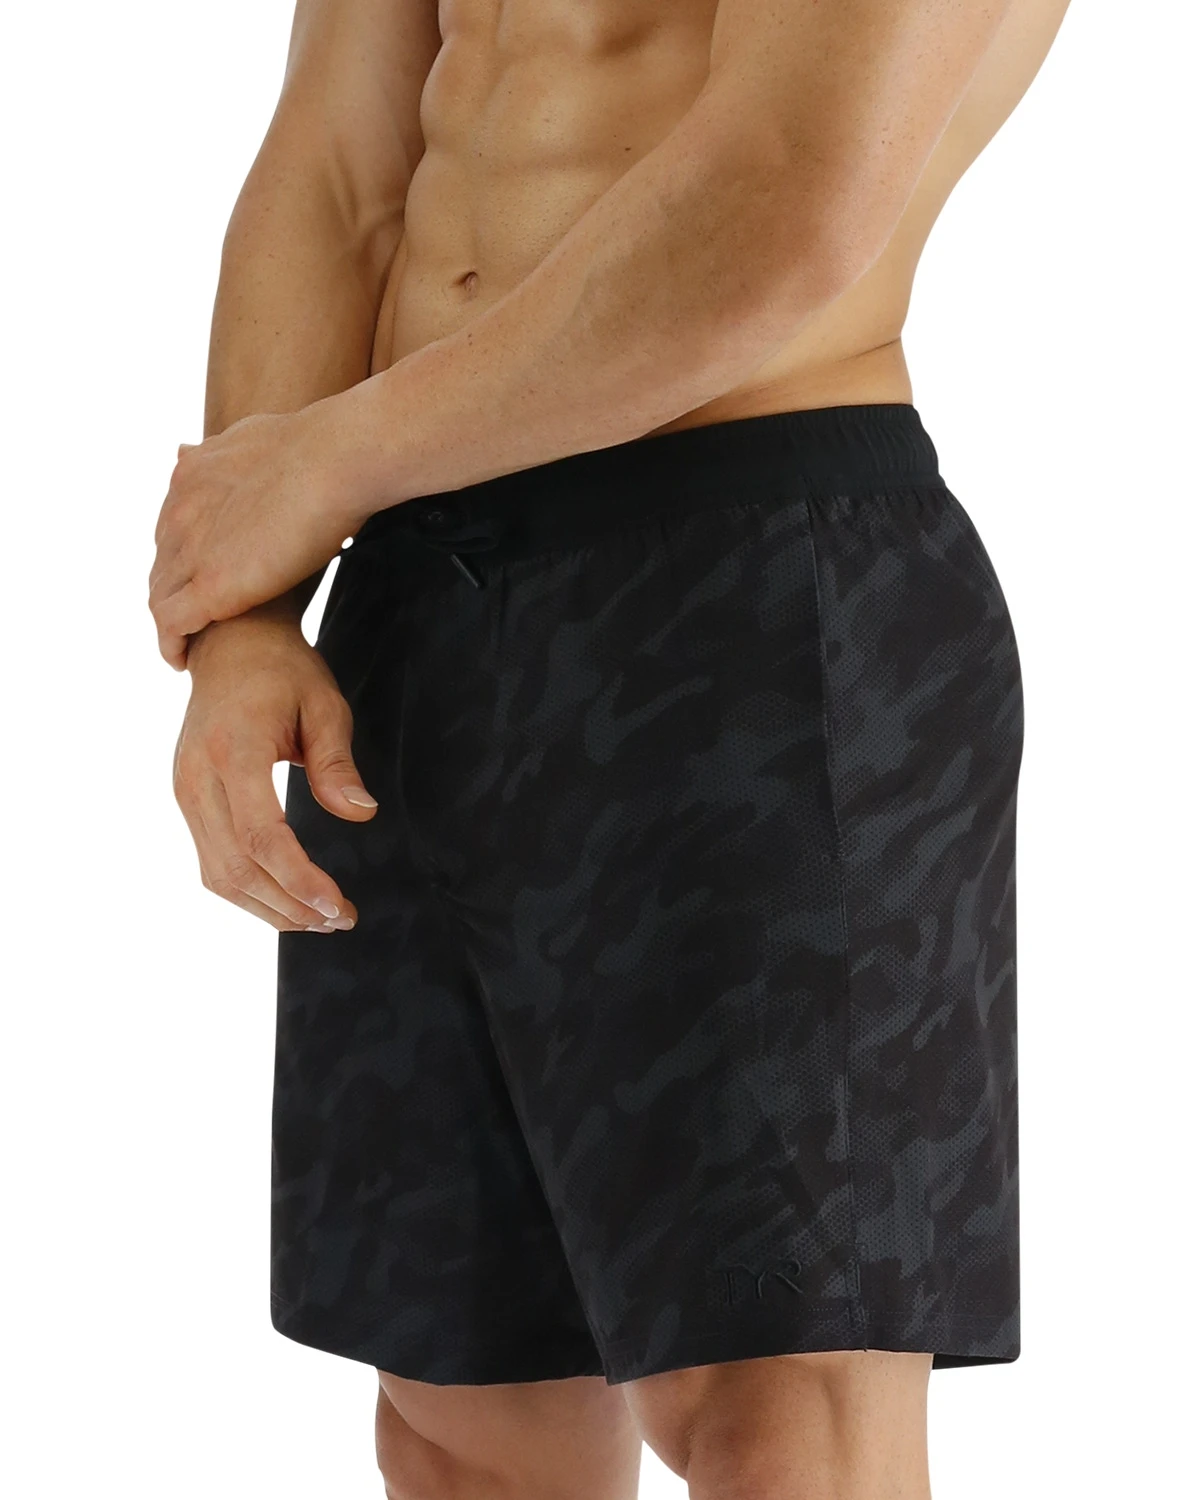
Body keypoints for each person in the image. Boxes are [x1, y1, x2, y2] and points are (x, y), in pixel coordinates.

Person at [150, 0, 1070, 1494]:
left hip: (751, 578)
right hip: (420, 595)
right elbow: (336, 161)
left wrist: (320, 467)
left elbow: (789, 200)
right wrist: (245, 609)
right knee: (464, 1417)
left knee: (780, 1418)